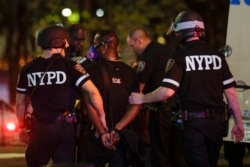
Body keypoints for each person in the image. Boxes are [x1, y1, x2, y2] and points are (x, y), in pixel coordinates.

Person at [128, 9, 245, 167]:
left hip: (192, 125)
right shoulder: (217, 56)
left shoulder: (180, 57)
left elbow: (167, 91)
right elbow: (230, 93)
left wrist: (142, 98)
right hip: (216, 126)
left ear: (181, 32)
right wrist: (238, 123)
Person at [15, 25, 111, 167]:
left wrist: (21, 127)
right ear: (62, 42)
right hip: (65, 128)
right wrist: (102, 117)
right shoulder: (70, 66)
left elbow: (20, 103)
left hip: (40, 128)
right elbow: (92, 92)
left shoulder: (27, 69)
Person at [83, 29, 143, 167]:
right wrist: (117, 129)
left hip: (97, 134)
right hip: (121, 135)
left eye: (95, 44)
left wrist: (102, 132)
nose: (93, 48)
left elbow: (89, 103)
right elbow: (136, 103)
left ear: (104, 46)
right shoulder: (130, 72)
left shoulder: (91, 69)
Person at [127, 28, 185, 167]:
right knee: (175, 151)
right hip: (176, 108)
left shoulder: (147, 56)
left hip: (159, 109)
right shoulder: (167, 50)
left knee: (159, 152)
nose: (132, 49)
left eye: (132, 45)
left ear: (139, 41)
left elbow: (139, 87)